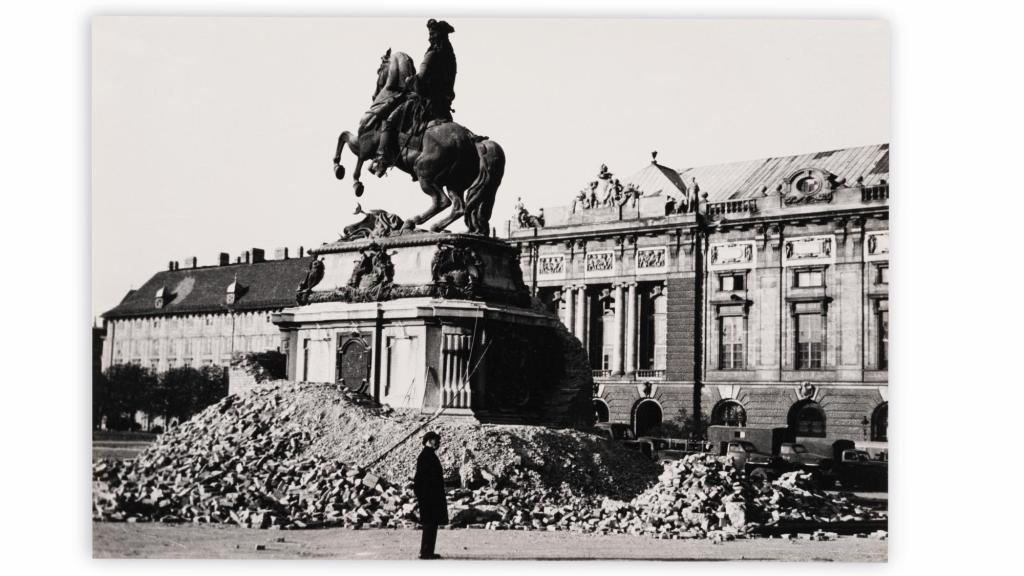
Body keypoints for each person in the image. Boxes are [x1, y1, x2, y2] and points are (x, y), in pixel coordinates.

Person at [372, 19, 457, 176]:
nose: (429, 38)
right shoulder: (451, 58)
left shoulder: (432, 55)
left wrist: (408, 81)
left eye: (432, 34)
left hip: (426, 104)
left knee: (390, 120)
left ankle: (382, 159)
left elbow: (421, 79)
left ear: (437, 36)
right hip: (443, 106)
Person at [414, 430, 448, 559]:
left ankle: (428, 551)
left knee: (431, 523)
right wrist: (424, 495)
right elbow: (422, 478)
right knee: (430, 523)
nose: (438, 442)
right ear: (429, 441)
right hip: (429, 496)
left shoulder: (428, 454)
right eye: (435, 440)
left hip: (430, 495)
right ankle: (426, 552)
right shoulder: (426, 455)